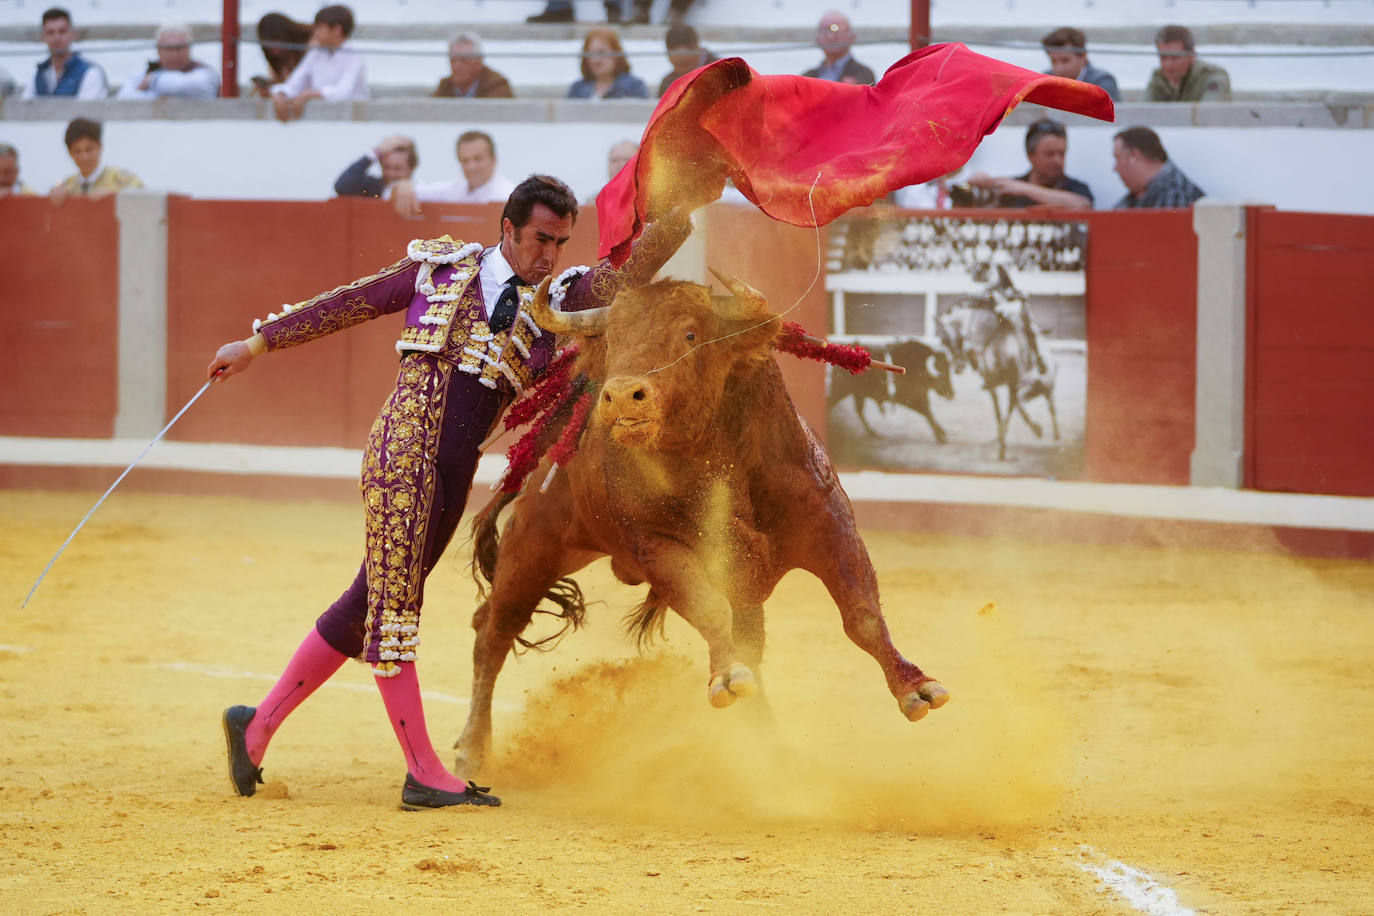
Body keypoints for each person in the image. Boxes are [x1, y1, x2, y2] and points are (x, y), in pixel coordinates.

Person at [208, 175, 696, 810]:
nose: (549, 254)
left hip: (451, 477)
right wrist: (255, 343)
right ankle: (423, 771)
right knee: (393, 615)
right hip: (402, 455)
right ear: (508, 230)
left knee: (368, 602)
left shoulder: (558, 298)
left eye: (561, 241)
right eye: (541, 239)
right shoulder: (441, 269)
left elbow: (618, 279)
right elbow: (350, 302)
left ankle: (258, 724)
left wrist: (684, 209)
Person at [964, 119, 1093, 209]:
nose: (1057, 160)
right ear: (1030, 155)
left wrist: (1025, 189)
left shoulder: (1077, 188)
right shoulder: (1010, 190)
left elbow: (1082, 206)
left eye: (1062, 153)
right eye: (1050, 154)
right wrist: (979, 181)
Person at [270, 5, 368, 122]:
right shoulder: (316, 53)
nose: (315, 33)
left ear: (337, 30)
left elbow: (343, 92)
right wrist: (280, 94)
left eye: (320, 28)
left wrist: (309, 95)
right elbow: (294, 83)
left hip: (350, 122)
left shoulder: (355, 55)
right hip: (319, 119)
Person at [390, 130, 516, 215]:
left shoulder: (508, 195)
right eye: (465, 160)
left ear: (494, 160)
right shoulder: (456, 190)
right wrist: (404, 185)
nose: (471, 166)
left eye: (478, 159)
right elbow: (411, 192)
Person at [21, 7, 108, 100]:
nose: (57, 38)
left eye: (62, 31)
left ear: (72, 34)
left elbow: (83, 112)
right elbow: (25, 106)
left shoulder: (91, 73)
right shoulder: (39, 74)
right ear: (43, 37)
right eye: (50, 32)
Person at [116, 23, 220, 100]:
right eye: (169, 49)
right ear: (158, 50)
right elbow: (124, 97)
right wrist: (158, 98)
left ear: (189, 48)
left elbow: (184, 86)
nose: (174, 55)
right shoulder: (146, 71)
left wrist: (152, 80)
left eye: (179, 48)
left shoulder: (205, 73)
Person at [49, 118, 143, 204]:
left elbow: (145, 199)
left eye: (89, 149)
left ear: (100, 147)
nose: (84, 157)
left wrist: (115, 195)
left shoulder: (123, 179)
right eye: (77, 151)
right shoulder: (67, 186)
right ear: (70, 152)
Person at [1111, 125, 1205, 209]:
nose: (1115, 168)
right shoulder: (1141, 192)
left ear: (1135, 156)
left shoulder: (1175, 194)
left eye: (1118, 158)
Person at [1147, 24, 1232, 102]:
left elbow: (1208, 114)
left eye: (1175, 57)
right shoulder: (1159, 78)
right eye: (1163, 57)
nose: (1168, 64)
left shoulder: (1214, 77)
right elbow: (1144, 113)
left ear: (1191, 55)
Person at [1040, 27, 1121, 102]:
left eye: (1065, 60)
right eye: (1053, 61)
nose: (1059, 68)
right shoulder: (1046, 80)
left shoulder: (1102, 82)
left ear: (1083, 56)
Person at [567, 28, 648, 100]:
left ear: (616, 53)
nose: (596, 60)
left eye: (601, 52)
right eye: (590, 54)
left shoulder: (633, 87)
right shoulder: (577, 89)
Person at [433, 31, 513, 98]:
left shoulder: (497, 86)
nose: (457, 65)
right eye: (453, 59)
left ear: (479, 61)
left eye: (464, 60)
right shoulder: (445, 86)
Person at [802, 11, 875, 85]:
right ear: (817, 39)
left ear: (852, 36)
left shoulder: (863, 74)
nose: (831, 36)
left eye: (836, 29)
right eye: (824, 30)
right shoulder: (807, 77)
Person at [334, 135, 417, 199]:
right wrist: (376, 153)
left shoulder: (420, 191)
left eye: (398, 168)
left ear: (411, 168)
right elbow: (342, 187)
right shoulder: (372, 189)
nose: (391, 174)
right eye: (386, 167)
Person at [251, 12, 312, 97]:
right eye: (270, 45)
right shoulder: (276, 59)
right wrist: (271, 87)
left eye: (276, 42)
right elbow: (282, 83)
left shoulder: (311, 47)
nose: (274, 49)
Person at [657, 23, 716, 97]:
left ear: (697, 48)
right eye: (677, 65)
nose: (682, 71)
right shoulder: (668, 83)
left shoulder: (721, 73)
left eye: (685, 63)